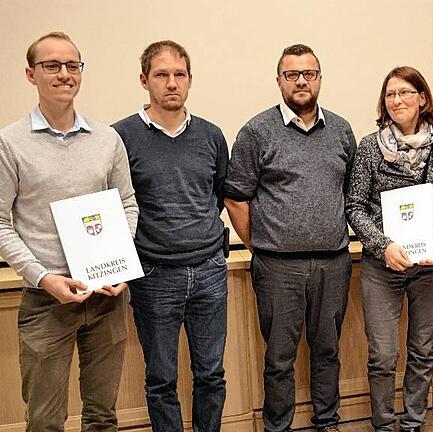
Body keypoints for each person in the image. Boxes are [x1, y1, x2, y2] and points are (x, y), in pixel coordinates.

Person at [0, 32, 138, 431]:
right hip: (46, 302)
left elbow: (127, 204)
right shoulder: (9, 143)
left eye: (72, 65)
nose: (64, 74)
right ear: (31, 74)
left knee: (102, 417)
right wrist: (44, 278)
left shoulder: (107, 138)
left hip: (106, 299)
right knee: (44, 420)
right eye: (52, 66)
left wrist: (118, 265)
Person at [224, 44, 357, 432]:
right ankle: (277, 426)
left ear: (319, 79)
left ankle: (327, 422)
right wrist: (260, 245)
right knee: (279, 357)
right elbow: (235, 197)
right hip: (277, 266)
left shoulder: (341, 130)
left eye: (309, 74)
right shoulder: (256, 131)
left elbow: (349, 191)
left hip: (334, 262)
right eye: (292, 74)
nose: (301, 81)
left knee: (328, 351)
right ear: (279, 80)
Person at [112, 40, 229, 432]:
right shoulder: (121, 137)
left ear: (190, 80)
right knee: (161, 379)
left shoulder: (212, 135)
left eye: (179, 74)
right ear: (144, 80)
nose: (172, 83)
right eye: (161, 75)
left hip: (210, 270)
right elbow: (116, 205)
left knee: (211, 374)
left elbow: (217, 197)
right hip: (154, 275)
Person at [346, 66, 433, 432]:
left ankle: (413, 421)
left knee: (423, 350)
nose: (397, 100)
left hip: (431, 265)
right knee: (383, 353)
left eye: (405, 92)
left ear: (422, 98)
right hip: (383, 267)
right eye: (390, 94)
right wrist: (384, 246)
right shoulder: (369, 146)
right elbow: (355, 206)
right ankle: (383, 424)